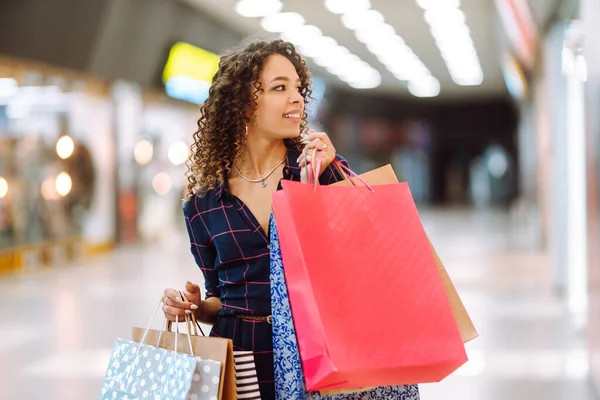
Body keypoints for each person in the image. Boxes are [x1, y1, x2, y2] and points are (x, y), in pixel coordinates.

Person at [161, 39, 349, 400]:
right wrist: (193, 307)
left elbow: (360, 256)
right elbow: (221, 299)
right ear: (244, 104)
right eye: (280, 88)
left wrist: (333, 177)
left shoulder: (316, 171)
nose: (296, 98)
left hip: (313, 353)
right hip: (241, 357)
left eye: (298, 88)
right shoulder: (203, 204)